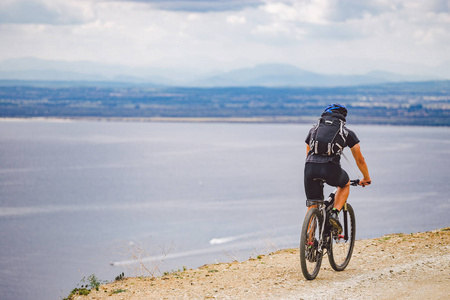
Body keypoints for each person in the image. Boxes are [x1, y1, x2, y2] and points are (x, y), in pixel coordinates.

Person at [304, 104, 371, 233]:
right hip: (330, 169)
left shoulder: (313, 130)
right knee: (345, 184)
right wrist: (366, 178)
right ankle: (334, 213)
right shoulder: (346, 132)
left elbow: (308, 154)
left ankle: (309, 245)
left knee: (312, 205)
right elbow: (360, 159)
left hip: (310, 169)